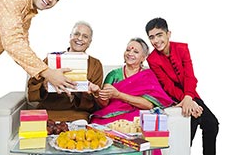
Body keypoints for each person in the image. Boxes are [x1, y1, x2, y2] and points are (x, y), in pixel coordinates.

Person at [0, 0, 74, 130]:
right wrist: (48, 72)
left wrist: (45, 78)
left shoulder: (27, 13)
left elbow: (22, 47)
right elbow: (13, 42)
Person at [145, 17, 219, 155]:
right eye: (152, 37)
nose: (156, 41)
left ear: (168, 34)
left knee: (212, 124)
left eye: (159, 35)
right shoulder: (152, 59)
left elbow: (190, 76)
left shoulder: (182, 48)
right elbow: (167, 86)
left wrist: (189, 97)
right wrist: (187, 101)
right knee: (192, 122)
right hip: (172, 98)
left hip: (190, 95)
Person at [27, 21, 104, 122]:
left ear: (89, 42)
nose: (80, 38)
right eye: (76, 34)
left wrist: (80, 91)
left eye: (85, 36)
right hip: (49, 110)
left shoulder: (95, 65)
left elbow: (95, 101)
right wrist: (44, 86)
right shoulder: (51, 59)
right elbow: (32, 89)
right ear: (70, 37)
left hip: (76, 114)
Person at [90, 37, 173, 125]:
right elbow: (104, 104)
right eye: (128, 50)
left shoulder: (148, 76)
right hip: (111, 116)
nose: (130, 53)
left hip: (135, 117)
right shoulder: (113, 75)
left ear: (143, 57)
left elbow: (148, 105)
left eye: (136, 52)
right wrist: (97, 93)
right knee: (96, 123)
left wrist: (118, 95)